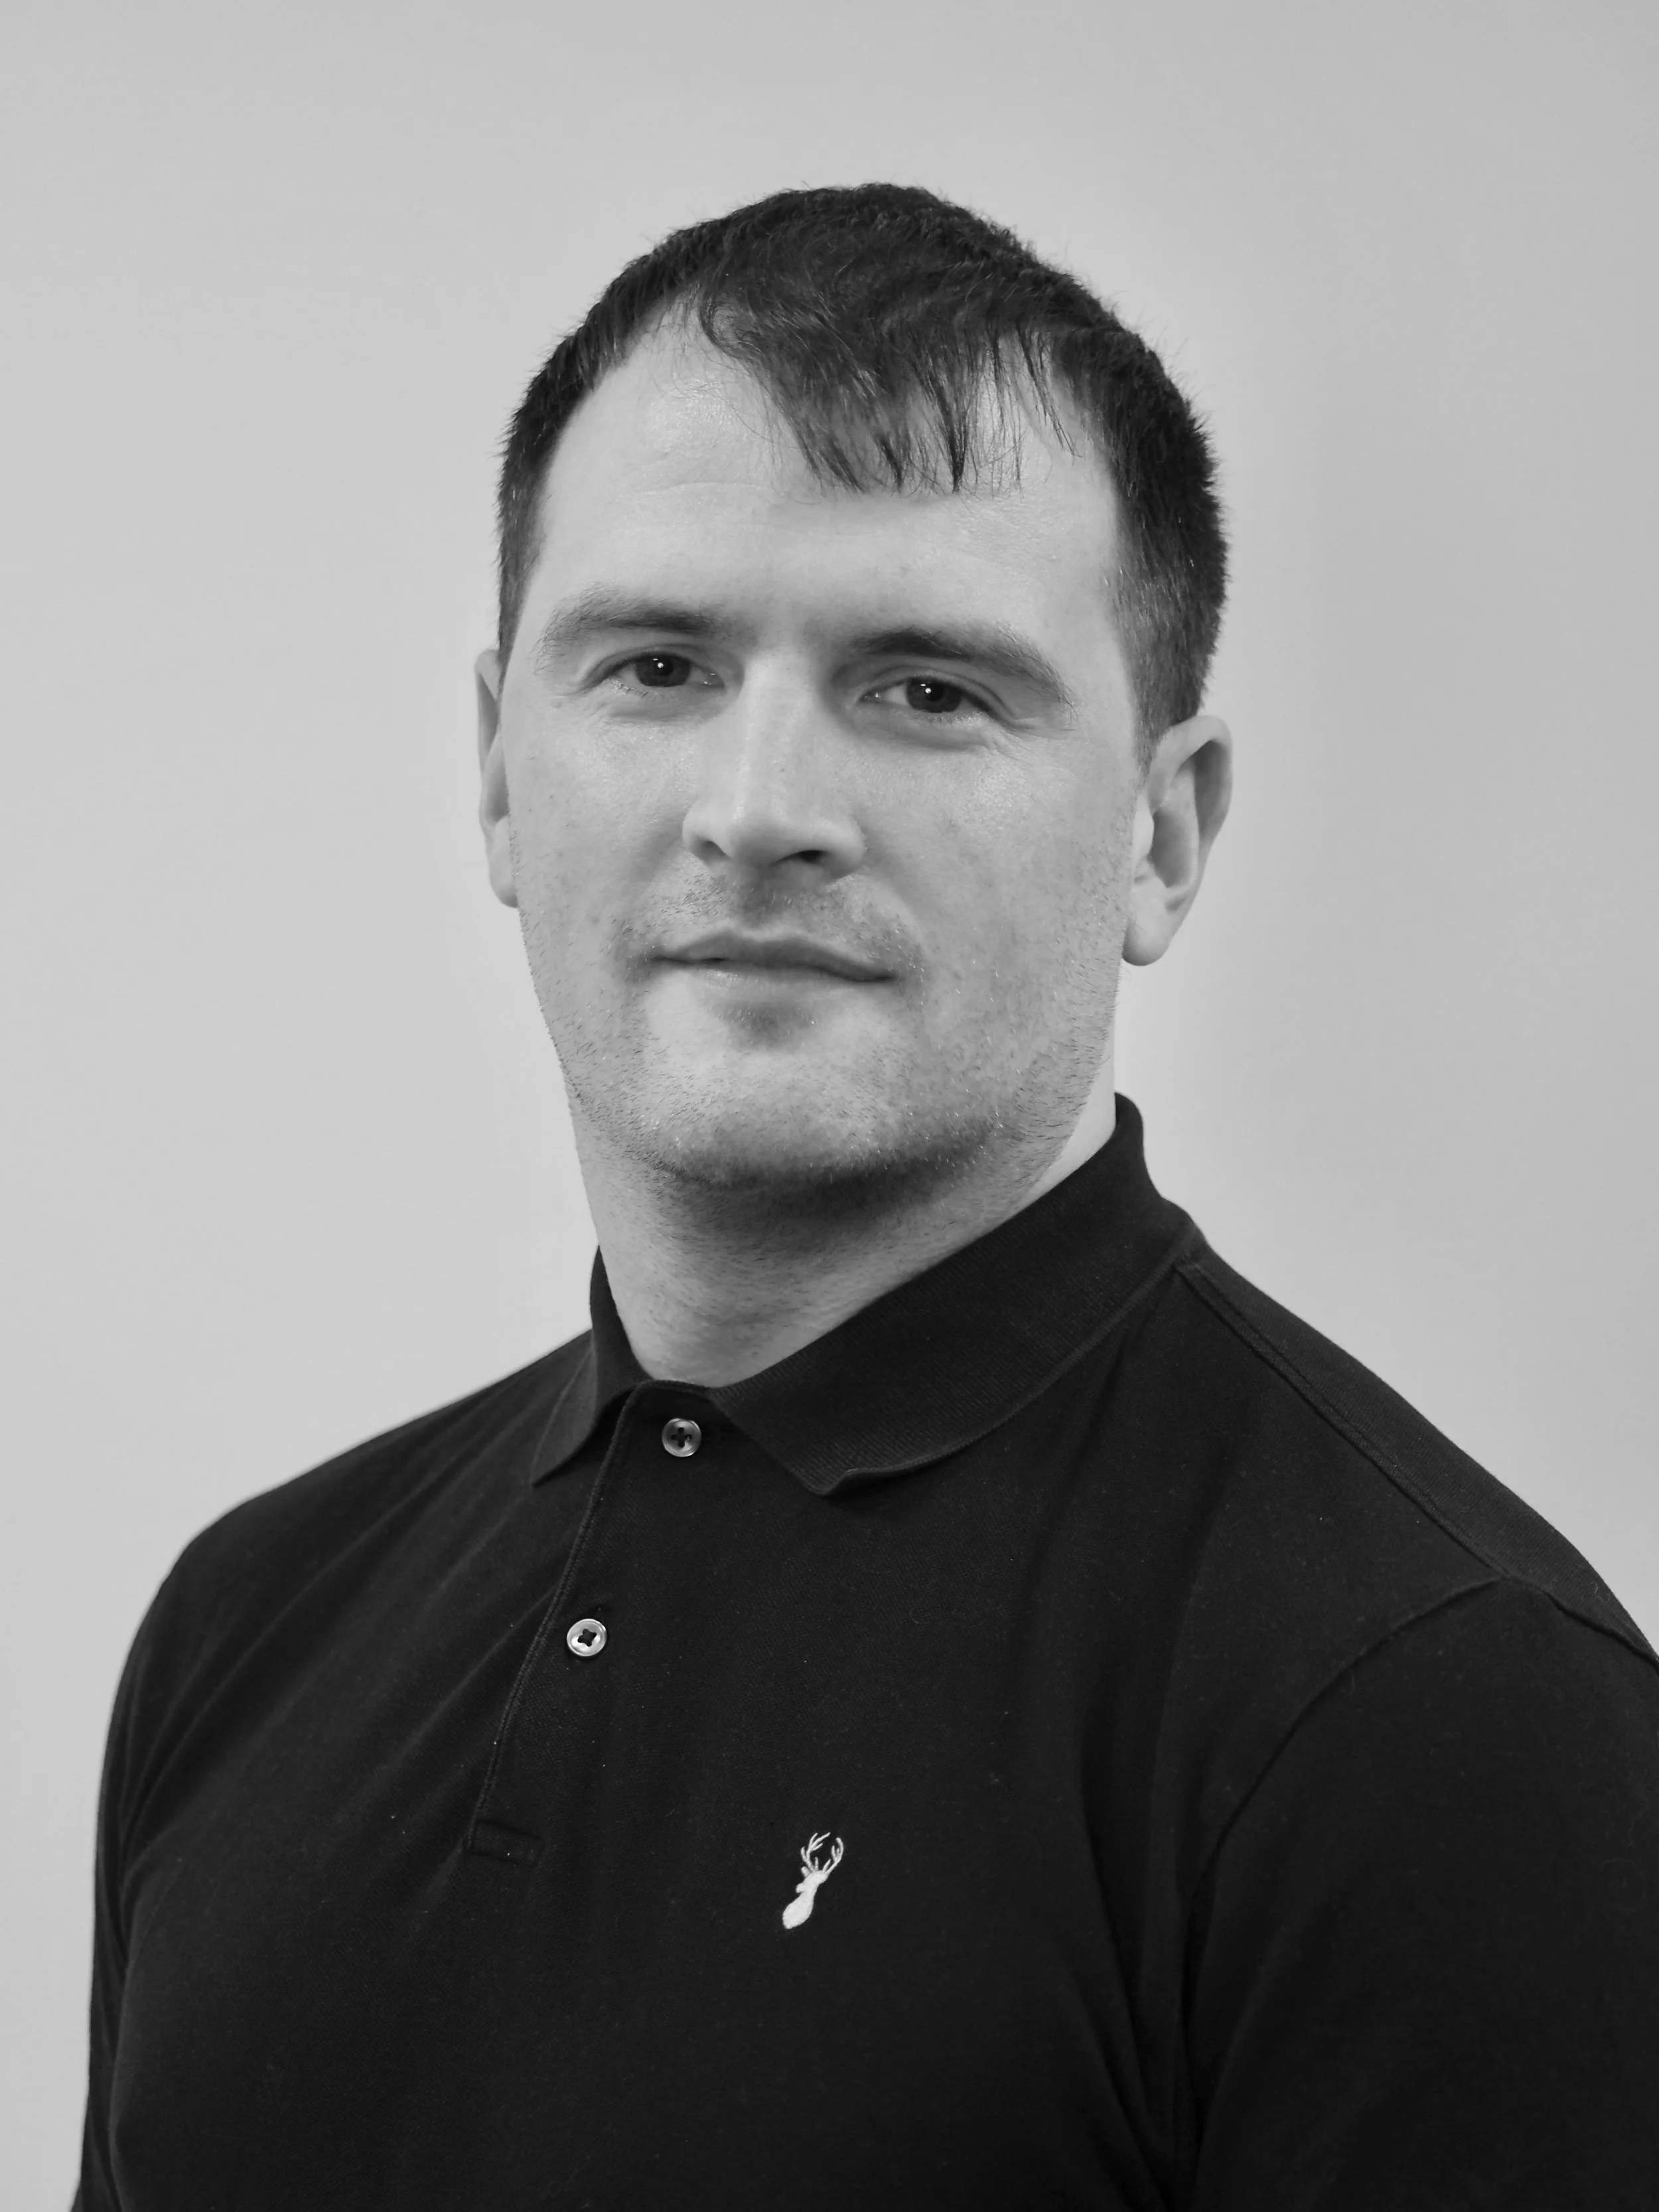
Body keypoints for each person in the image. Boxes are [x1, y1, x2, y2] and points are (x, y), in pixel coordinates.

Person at [77, 184, 1659, 2211]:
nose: (758, 812)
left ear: (1162, 833)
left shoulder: (1442, 1717)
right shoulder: (252, 1623)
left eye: (926, 688)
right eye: (656, 664)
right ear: (497, 770)